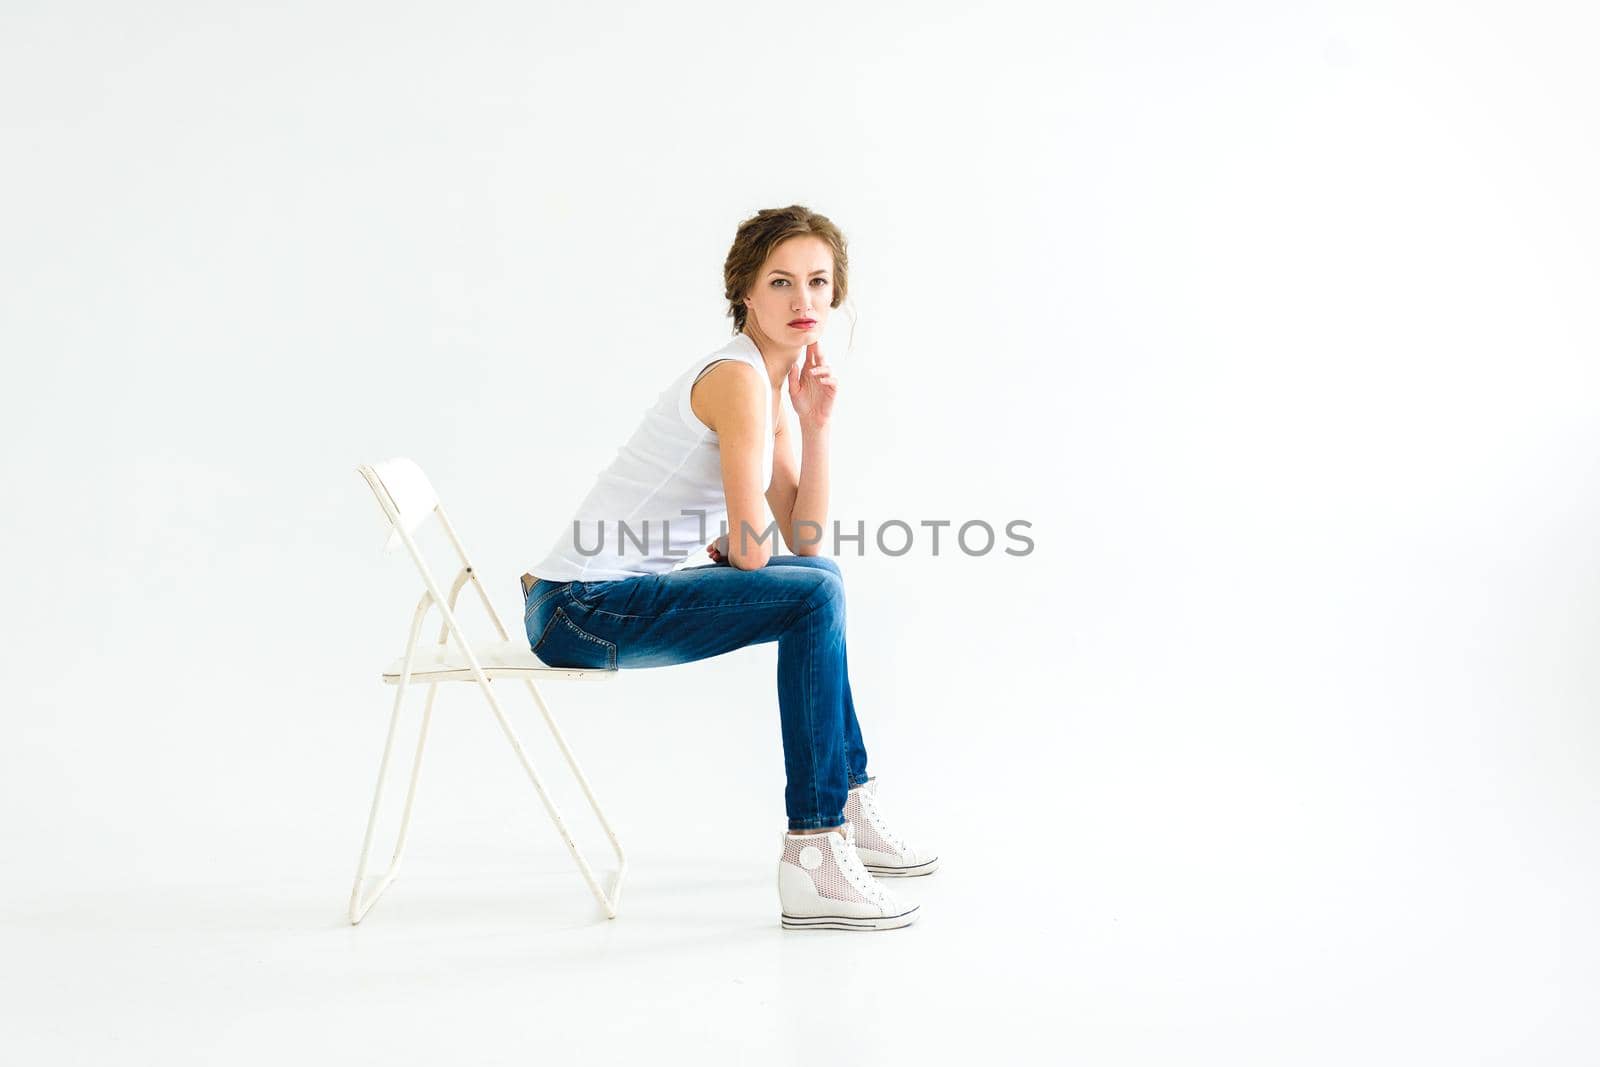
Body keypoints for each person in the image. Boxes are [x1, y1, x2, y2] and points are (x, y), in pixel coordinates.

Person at [522, 205, 936, 932]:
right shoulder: (738, 380)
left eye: (817, 281)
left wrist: (815, 424)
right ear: (745, 290)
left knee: (822, 581)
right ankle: (815, 846)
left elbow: (803, 539)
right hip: (578, 608)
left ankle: (846, 801)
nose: (802, 301)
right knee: (813, 595)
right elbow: (754, 553)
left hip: (592, 601)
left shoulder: (769, 386)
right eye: (781, 282)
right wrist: (742, 543)